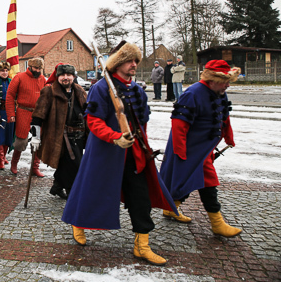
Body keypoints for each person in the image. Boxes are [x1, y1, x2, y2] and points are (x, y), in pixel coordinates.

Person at [62, 41, 177, 266]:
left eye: (136, 60)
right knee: (92, 192)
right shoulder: (101, 88)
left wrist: (141, 144)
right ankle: (78, 222)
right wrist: (115, 137)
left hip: (135, 154)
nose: (134, 64)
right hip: (106, 152)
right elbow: (93, 120)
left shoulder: (136, 90)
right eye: (129, 61)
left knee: (140, 197)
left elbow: (142, 121)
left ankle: (142, 245)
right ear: (118, 63)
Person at [159, 60, 242, 237]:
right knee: (206, 181)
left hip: (205, 148)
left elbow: (224, 116)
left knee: (188, 179)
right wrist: (180, 150)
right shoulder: (193, 93)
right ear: (212, 79)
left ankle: (171, 208)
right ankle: (217, 223)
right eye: (224, 81)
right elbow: (179, 124)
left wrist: (228, 136)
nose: (227, 85)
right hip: (190, 148)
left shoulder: (220, 91)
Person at [31, 64, 87, 199]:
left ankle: (57, 186)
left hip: (78, 135)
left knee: (65, 164)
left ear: (73, 76)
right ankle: (72, 192)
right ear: (58, 77)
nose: (65, 78)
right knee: (75, 165)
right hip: (58, 136)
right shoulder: (49, 92)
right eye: (62, 75)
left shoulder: (79, 90)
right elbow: (37, 116)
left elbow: (87, 111)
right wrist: (35, 137)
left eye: (68, 75)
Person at [5, 57, 47, 176]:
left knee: (37, 140)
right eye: (36, 68)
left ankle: (35, 167)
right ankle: (14, 164)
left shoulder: (43, 79)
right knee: (20, 142)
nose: (38, 70)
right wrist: (11, 114)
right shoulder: (19, 77)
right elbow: (10, 95)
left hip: (38, 114)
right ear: (30, 66)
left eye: (40, 68)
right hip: (23, 111)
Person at [0, 61, 15, 169]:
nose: (5, 73)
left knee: (8, 135)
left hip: (10, 112)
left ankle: (4, 156)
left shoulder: (12, 82)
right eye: (2, 71)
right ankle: (0, 159)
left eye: (6, 71)